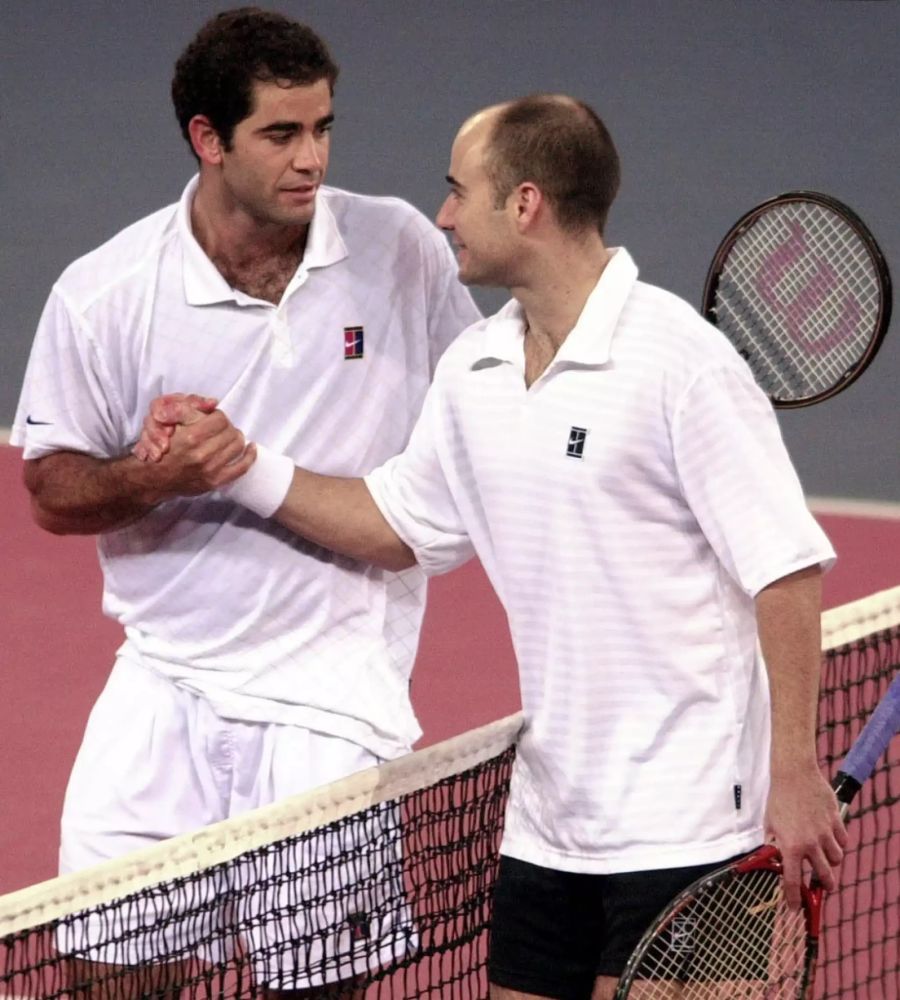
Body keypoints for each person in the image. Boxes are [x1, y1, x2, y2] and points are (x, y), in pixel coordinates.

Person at [141, 94, 848, 1000]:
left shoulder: (684, 364)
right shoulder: (474, 370)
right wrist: (236, 464)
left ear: (525, 204)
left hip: (696, 827)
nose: (441, 216)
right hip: (549, 829)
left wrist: (793, 771)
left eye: (457, 191)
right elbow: (398, 525)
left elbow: (784, 573)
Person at [12, 7, 480, 997]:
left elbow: (484, 407)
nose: (311, 158)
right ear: (208, 138)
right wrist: (155, 477)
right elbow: (52, 485)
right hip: (164, 685)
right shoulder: (108, 294)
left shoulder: (397, 250)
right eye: (280, 133)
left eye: (322, 128)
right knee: (101, 980)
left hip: (330, 703)